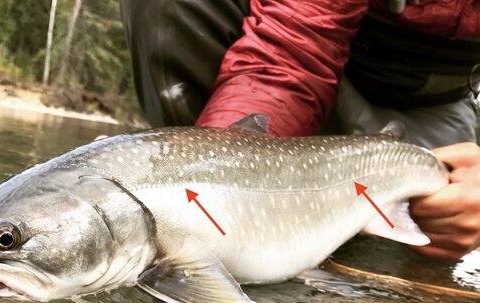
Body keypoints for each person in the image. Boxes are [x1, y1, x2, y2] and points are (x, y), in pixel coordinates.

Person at [120, 0, 480, 260]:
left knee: (437, 226)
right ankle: (199, 231)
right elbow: (289, 54)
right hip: (319, 82)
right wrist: (217, 160)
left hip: (435, 113)